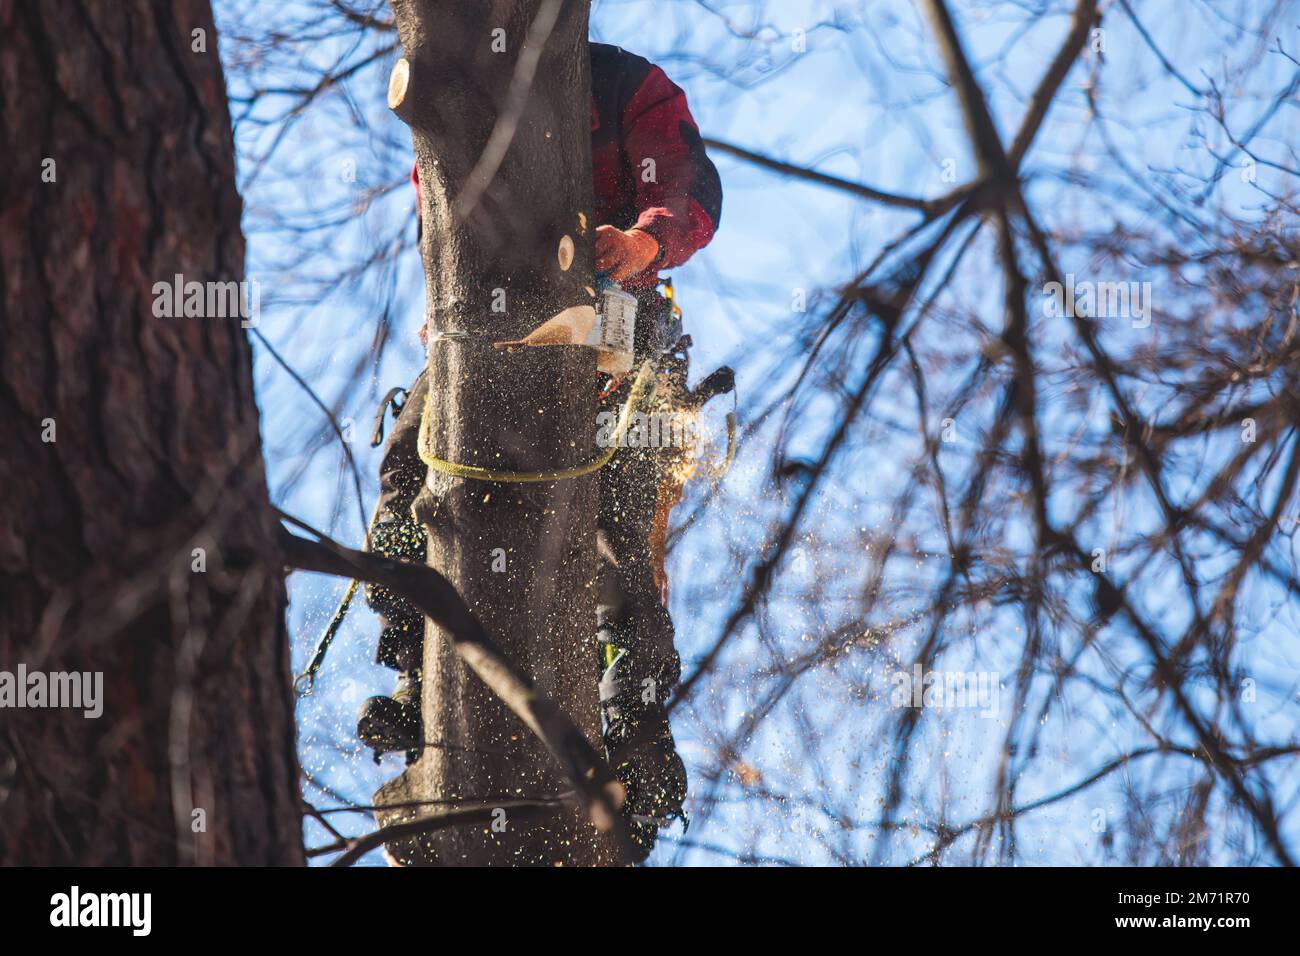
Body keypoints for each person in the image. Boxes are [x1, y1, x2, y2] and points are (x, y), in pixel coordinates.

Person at [358, 42, 722, 859]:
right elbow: (440, 224)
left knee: (615, 518)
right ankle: (415, 675)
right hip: (478, 339)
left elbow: (687, 180)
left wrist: (641, 242)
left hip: (616, 322)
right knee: (406, 472)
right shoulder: (456, 105)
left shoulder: (625, 84)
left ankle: (633, 728)